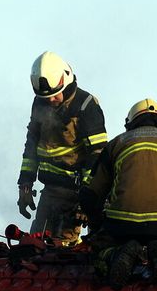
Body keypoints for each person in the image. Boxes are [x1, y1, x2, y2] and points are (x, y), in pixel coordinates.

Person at [80, 98, 157, 288]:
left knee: (100, 249)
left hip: (122, 225)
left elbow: (89, 195)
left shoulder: (115, 144)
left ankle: (115, 254)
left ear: (130, 123)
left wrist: (98, 227)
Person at [17, 51, 107, 246]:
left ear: (65, 82)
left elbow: (98, 155)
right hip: (50, 191)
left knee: (63, 257)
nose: (50, 100)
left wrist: (88, 198)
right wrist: (25, 183)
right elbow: (32, 144)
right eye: (45, 97)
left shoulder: (86, 105)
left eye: (54, 95)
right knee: (35, 248)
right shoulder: (40, 102)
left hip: (77, 194)